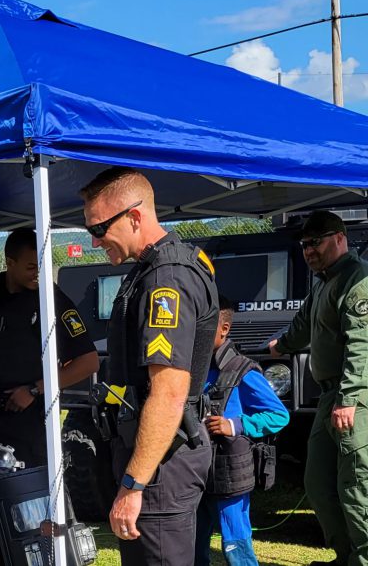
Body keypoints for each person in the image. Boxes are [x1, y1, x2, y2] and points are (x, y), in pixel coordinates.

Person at [79, 166, 218, 566]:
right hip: (159, 457)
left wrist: (134, 485)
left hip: (160, 465)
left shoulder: (166, 279)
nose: (93, 240)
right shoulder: (154, 268)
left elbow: (170, 393)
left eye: (101, 228)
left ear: (135, 216)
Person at [269, 210, 368, 566]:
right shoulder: (325, 281)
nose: (308, 250)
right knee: (319, 484)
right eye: (304, 244)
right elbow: (302, 325)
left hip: (353, 397)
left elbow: (362, 344)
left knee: (356, 485)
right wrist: (280, 346)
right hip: (330, 396)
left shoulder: (357, 280)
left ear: (340, 238)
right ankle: (346, 556)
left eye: (316, 242)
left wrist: (350, 398)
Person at [0, 227, 98, 467]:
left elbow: (89, 361)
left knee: (28, 494)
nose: (39, 274)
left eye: (42, 265)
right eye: (31, 267)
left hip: (30, 417)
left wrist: (35, 390)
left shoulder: (52, 300)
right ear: (10, 263)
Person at [196, 294, 289, 566]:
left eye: (205, 324)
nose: (197, 330)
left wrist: (235, 425)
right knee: (192, 546)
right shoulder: (192, 370)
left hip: (228, 476)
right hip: (194, 474)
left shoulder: (243, 371)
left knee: (235, 547)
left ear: (224, 329)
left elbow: (278, 415)